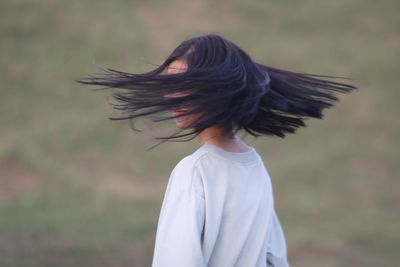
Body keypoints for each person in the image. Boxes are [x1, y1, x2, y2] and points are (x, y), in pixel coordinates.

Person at [76, 33, 357, 266]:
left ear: (216, 90)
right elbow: (275, 260)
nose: (171, 94)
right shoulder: (254, 167)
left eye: (185, 85)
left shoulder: (195, 172)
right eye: (171, 83)